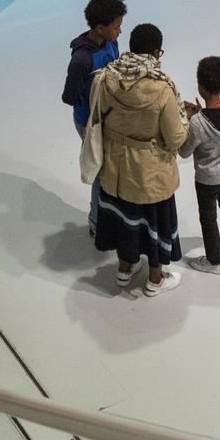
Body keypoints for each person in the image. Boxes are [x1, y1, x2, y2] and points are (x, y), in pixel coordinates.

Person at [91, 24, 188, 296]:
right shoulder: (163, 89)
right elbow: (175, 138)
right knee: (152, 223)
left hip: (115, 169)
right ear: (156, 52)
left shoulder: (105, 77)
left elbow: (97, 117)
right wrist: (187, 121)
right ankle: (156, 279)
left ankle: (124, 268)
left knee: (124, 219)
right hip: (150, 173)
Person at [62, 0, 125, 235]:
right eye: (116, 27)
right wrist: (93, 94)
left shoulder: (111, 44)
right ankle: (97, 222)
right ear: (100, 28)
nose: (120, 31)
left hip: (108, 117)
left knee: (110, 168)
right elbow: (68, 96)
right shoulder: (81, 60)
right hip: (89, 123)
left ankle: (109, 214)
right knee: (99, 172)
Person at [179, 56, 220, 275]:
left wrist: (188, 120)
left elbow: (184, 151)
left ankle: (214, 261)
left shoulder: (198, 123)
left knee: (208, 218)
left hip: (207, 180)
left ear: (200, 87)